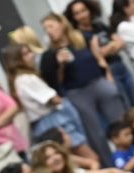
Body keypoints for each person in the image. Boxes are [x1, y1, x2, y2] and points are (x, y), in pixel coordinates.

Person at [39, 12, 127, 163]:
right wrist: (60, 65)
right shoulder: (49, 55)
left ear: (62, 24)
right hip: (77, 92)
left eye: (51, 26)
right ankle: (110, 165)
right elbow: (55, 84)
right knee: (95, 134)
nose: (49, 31)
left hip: (98, 82)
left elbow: (98, 57)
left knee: (120, 122)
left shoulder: (81, 39)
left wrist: (109, 80)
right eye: (45, 28)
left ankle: (132, 154)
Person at [2, 42, 98, 164]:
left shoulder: (19, 80)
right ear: (16, 60)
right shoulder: (27, 79)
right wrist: (62, 102)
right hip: (52, 122)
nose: (31, 55)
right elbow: (52, 98)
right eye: (25, 54)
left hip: (44, 124)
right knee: (90, 159)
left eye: (29, 51)